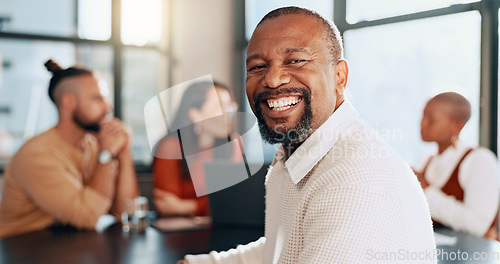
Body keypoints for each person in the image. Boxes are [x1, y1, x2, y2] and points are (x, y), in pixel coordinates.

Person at [180, 6, 436, 264]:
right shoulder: (298, 152)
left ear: (339, 77)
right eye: (257, 66)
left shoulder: (354, 180)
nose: (273, 79)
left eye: (295, 61)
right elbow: (281, 249)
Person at [0, 60, 139, 238]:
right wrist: (107, 155)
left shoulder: (94, 144)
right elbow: (88, 217)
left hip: (67, 244)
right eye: (98, 98)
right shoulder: (36, 155)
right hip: (20, 250)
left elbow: (126, 212)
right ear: (69, 103)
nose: (109, 107)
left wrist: (124, 150)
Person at [415, 92, 499, 239]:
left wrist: (426, 190)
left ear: (457, 126)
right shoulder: (428, 161)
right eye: (422, 116)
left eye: (431, 120)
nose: (422, 124)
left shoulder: (479, 160)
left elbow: (478, 225)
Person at [153, 81, 240, 217]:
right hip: (181, 234)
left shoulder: (234, 144)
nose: (230, 112)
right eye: (220, 106)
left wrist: (186, 206)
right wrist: (210, 206)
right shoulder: (170, 147)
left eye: (230, 104)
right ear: (195, 115)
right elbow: (166, 206)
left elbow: (236, 200)